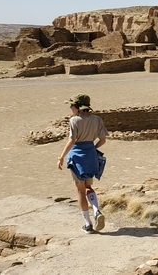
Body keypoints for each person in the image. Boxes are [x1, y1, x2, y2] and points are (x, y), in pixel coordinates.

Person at [57, 94, 108, 233]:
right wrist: (92, 148)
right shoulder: (97, 119)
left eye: (72, 105)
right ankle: (96, 210)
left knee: (80, 190)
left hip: (77, 157)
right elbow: (103, 140)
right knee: (88, 186)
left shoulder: (75, 120)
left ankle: (88, 224)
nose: (70, 107)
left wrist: (61, 156)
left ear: (78, 107)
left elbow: (72, 140)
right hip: (91, 155)